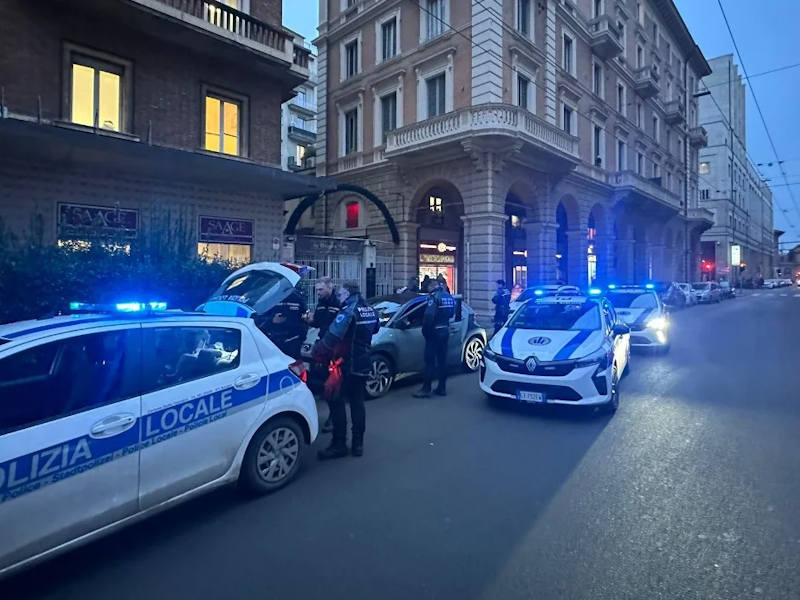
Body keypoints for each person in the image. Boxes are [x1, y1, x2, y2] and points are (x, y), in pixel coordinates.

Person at [313, 281, 379, 459]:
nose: (339, 297)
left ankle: (339, 444)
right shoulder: (370, 309)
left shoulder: (349, 310)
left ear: (348, 293)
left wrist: (317, 351)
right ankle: (358, 444)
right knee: (357, 403)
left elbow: (333, 336)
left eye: (341, 294)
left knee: (335, 401)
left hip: (346, 364)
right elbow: (375, 329)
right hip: (364, 362)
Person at [304, 278, 341, 434]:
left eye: (320, 289)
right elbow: (318, 323)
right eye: (317, 290)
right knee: (317, 379)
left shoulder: (338, 303)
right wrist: (308, 320)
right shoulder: (321, 303)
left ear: (329, 288)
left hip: (334, 348)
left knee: (332, 383)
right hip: (322, 346)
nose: (318, 292)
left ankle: (334, 418)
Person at [413, 278, 455, 398]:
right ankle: (442, 388)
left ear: (432, 286)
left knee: (429, 361)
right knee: (442, 361)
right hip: (445, 330)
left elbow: (429, 316)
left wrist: (425, 331)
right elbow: (452, 313)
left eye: (428, 287)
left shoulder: (433, 297)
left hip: (434, 332)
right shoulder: (448, 296)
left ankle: (426, 389)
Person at [257, 286, 307, 360]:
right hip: (275, 341)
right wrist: (272, 321)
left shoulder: (297, 298)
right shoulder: (270, 299)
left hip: (294, 340)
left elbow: (304, 317)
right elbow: (260, 319)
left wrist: (302, 334)